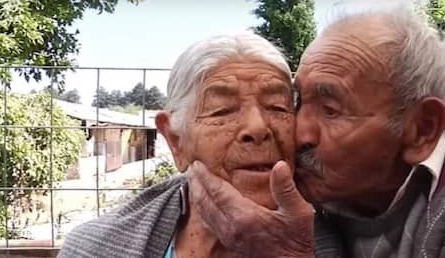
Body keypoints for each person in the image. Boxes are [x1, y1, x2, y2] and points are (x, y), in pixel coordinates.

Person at [185, 0, 445, 258]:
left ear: (421, 130)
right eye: (299, 101)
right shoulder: (314, 174)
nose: (300, 132)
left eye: (331, 109)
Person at [56, 32, 309, 257]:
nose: (257, 128)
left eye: (278, 107)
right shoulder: (97, 247)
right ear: (175, 140)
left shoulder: (340, 235)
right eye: (222, 111)